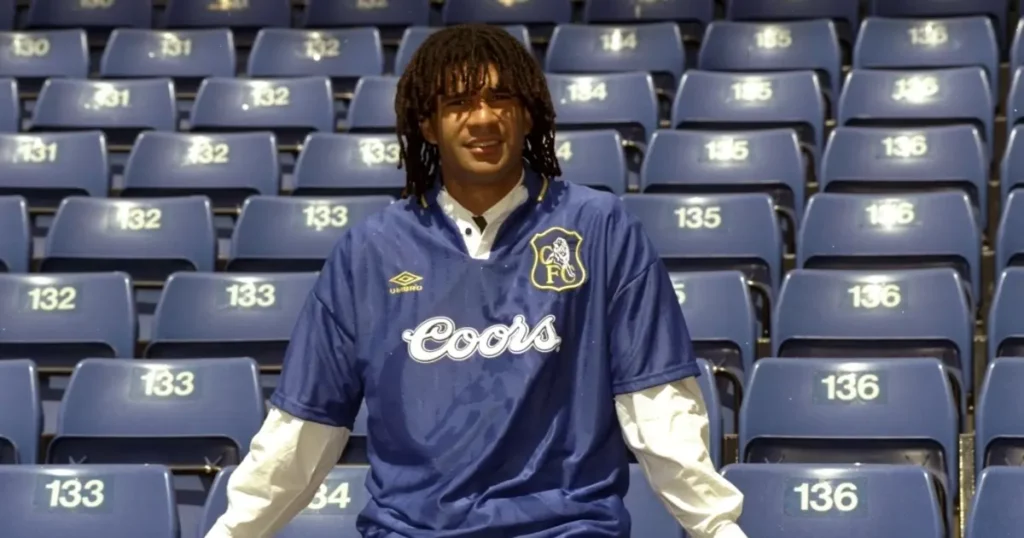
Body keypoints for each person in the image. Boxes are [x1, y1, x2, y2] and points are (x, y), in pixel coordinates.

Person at [206, 24, 747, 538]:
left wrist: (717, 526)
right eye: (458, 104)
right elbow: (305, 427)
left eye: (501, 100)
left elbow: (657, 402)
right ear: (427, 125)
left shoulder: (599, 227)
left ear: (528, 115)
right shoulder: (369, 250)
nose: (483, 118)